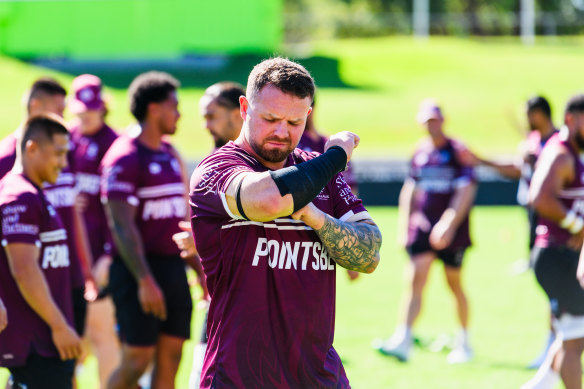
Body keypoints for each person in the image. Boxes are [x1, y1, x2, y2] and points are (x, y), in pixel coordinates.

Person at [189, 57, 381, 388]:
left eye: (294, 122)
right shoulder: (216, 170)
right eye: (270, 118)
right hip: (240, 376)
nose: (282, 131)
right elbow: (267, 199)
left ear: (308, 115)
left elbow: (369, 255)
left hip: (319, 376)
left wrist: (315, 216)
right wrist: (335, 157)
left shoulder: (317, 171)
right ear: (245, 107)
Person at [101, 71, 192, 389]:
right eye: (174, 106)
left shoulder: (170, 154)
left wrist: (198, 269)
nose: (179, 114)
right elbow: (121, 225)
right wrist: (145, 281)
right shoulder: (124, 157)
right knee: (136, 362)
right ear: (154, 109)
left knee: (171, 358)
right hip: (135, 270)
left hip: (172, 268)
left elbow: (183, 218)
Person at [375, 99, 476, 364]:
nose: (432, 126)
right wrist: (404, 225)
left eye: (435, 120)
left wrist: (449, 224)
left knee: (454, 284)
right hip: (422, 229)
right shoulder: (420, 152)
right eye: (427, 121)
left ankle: (464, 342)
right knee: (415, 280)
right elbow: (410, 189)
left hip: (453, 233)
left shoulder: (457, 151)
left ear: (443, 120)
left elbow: (466, 189)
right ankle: (403, 339)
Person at [462, 96, 558, 369]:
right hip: (535, 220)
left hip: (550, 221)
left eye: (528, 114)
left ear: (538, 114)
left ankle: (554, 348)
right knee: (549, 286)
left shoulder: (556, 145)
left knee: (554, 286)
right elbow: (517, 169)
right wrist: (482, 160)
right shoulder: (535, 143)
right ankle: (556, 346)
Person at [0, 77, 94, 346]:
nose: (64, 117)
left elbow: (73, 212)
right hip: (31, 281)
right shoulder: (7, 158)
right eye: (59, 109)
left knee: (67, 364)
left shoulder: (64, 149)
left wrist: (85, 269)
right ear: (36, 105)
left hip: (68, 274)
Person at [0, 114, 82, 389]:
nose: (63, 162)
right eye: (58, 153)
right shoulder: (20, 197)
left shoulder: (31, 193)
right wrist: (59, 326)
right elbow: (24, 270)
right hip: (37, 342)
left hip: (41, 341)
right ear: (32, 148)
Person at [522, 94, 584, 389]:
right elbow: (538, 197)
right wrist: (577, 225)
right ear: (571, 119)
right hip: (556, 256)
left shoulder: (573, 151)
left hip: (564, 256)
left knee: (572, 336)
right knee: (575, 342)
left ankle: (539, 385)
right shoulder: (560, 153)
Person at [186, 80, 245, 389]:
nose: (205, 125)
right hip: (221, 300)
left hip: (253, 300)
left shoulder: (264, 164)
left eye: (212, 116)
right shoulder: (214, 159)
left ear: (239, 111)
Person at [68, 74, 120, 388]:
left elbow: (122, 211)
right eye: (80, 110)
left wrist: (110, 255)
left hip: (101, 261)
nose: (85, 116)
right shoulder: (66, 141)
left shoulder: (114, 145)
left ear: (103, 108)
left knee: (103, 338)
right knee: (69, 343)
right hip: (68, 262)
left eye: (91, 109)